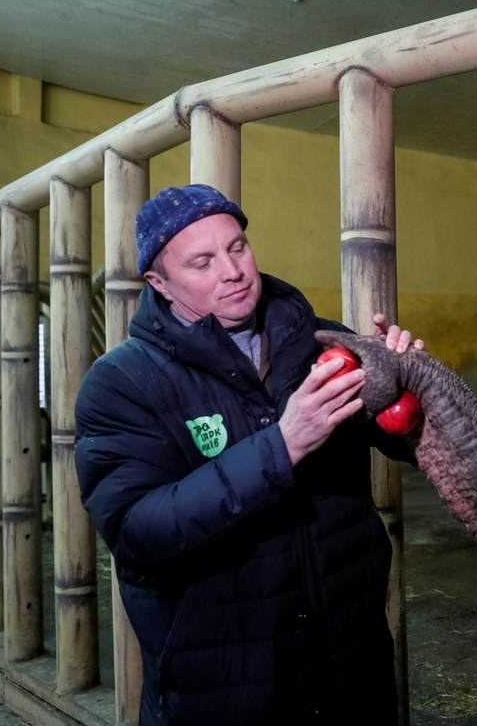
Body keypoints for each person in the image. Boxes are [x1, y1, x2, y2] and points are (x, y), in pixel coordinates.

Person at [74, 183, 420, 726]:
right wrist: (281, 446)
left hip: (349, 659)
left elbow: (407, 446)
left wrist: (403, 393)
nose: (232, 271)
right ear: (159, 283)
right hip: (226, 681)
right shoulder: (121, 383)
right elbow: (137, 531)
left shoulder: (323, 345)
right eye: (202, 262)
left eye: (237, 248)